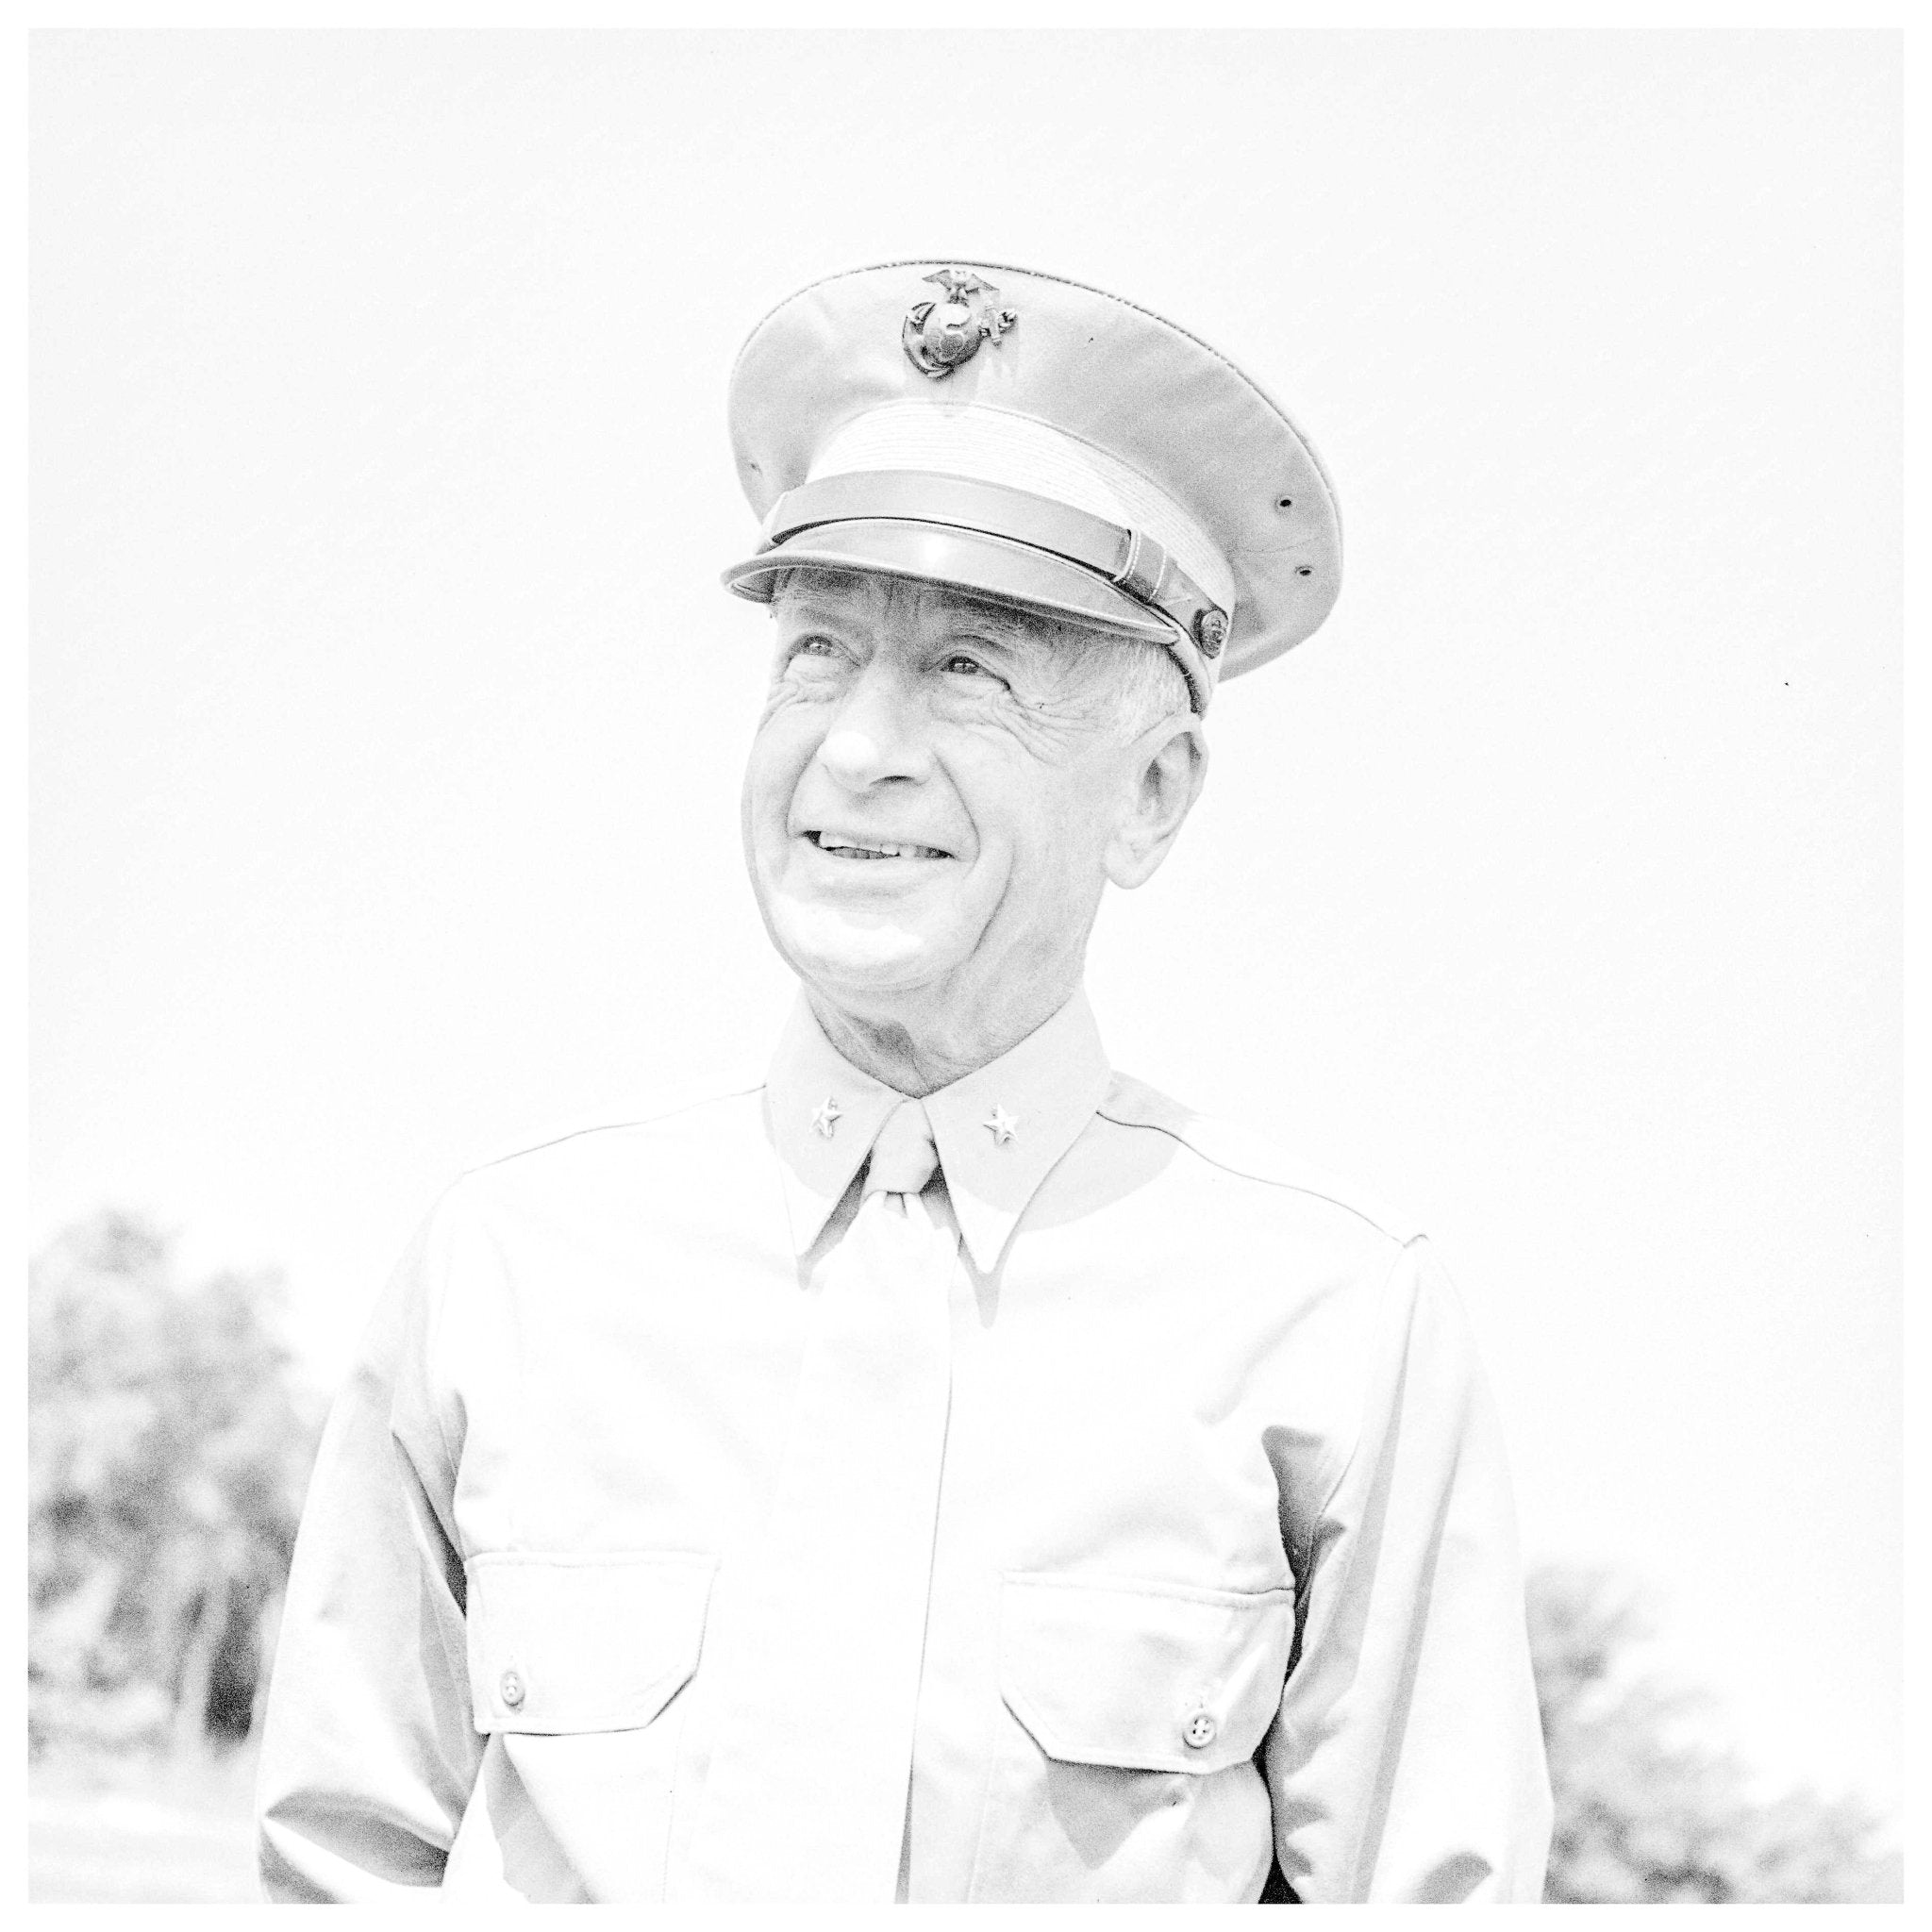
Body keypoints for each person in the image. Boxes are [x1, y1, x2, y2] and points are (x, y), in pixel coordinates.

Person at [255, 258, 1553, 1904]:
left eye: (969, 670)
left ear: (1152, 796)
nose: (859, 747)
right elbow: (337, 1871)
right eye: (816, 655)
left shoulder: (1338, 1318)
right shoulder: (508, 1264)